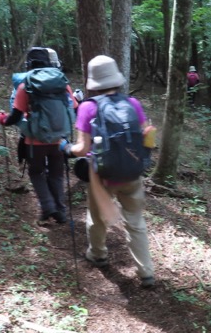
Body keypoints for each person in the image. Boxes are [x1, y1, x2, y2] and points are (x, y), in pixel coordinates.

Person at [63, 55, 156, 288]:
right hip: (133, 173)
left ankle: (98, 254)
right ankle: (146, 272)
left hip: (102, 175)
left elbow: (82, 149)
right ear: (116, 78)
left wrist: (65, 148)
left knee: (97, 218)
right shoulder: (133, 104)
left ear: (92, 82)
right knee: (135, 222)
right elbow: (147, 137)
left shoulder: (87, 107)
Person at [0, 48, 78, 226]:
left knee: (36, 173)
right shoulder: (62, 84)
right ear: (49, 63)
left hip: (34, 142)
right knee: (56, 175)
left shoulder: (25, 85)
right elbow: (73, 107)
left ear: (29, 64)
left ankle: (48, 207)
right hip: (60, 140)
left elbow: (16, 117)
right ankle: (61, 212)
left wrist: (2, 119)